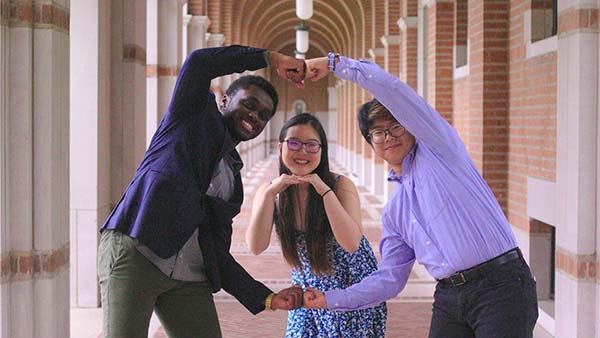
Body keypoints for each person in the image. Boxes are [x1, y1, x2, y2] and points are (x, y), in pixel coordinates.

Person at [302, 54, 539, 337]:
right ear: (371, 143)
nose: (388, 136)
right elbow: (390, 279)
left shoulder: (441, 151)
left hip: (501, 287)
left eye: (396, 126)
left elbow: (394, 92)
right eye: (378, 132)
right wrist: (331, 299)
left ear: (411, 127)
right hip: (449, 297)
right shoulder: (395, 212)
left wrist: (335, 64)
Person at [98, 45, 306, 338]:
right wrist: (270, 58)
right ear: (224, 100)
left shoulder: (232, 181)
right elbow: (199, 62)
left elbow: (216, 251)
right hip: (136, 252)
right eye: (249, 104)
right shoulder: (190, 116)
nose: (254, 116)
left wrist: (266, 297)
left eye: (262, 115)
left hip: (187, 276)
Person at [246, 113, 387, 337]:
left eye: (311, 145)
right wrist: (270, 193)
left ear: (322, 151)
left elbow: (351, 243)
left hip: (349, 287)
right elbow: (256, 246)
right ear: (281, 147)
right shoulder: (271, 192)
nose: (302, 152)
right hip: (306, 289)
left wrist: (323, 191)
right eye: (294, 143)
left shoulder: (340, 186)